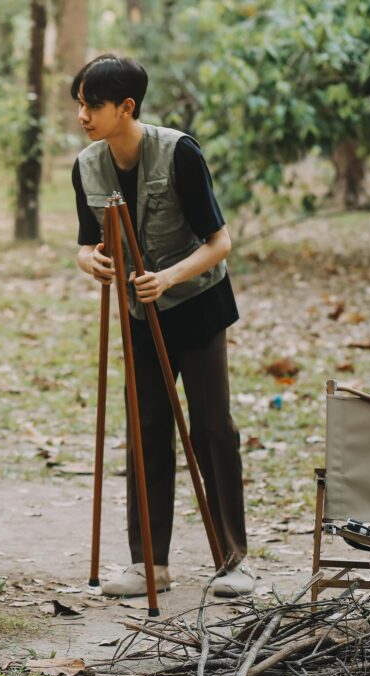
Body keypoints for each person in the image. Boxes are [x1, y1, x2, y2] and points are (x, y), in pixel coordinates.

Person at [71, 55, 253, 597]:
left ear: (126, 107)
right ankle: (149, 563)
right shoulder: (86, 165)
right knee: (146, 430)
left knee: (212, 427)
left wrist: (168, 277)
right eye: (79, 104)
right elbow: (85, 244)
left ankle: (234, 560)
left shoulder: (179, 153)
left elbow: (220, 243)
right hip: (137, 315)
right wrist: (92, 263)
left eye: (93, 105)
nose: (83, 115)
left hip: (197, 306)